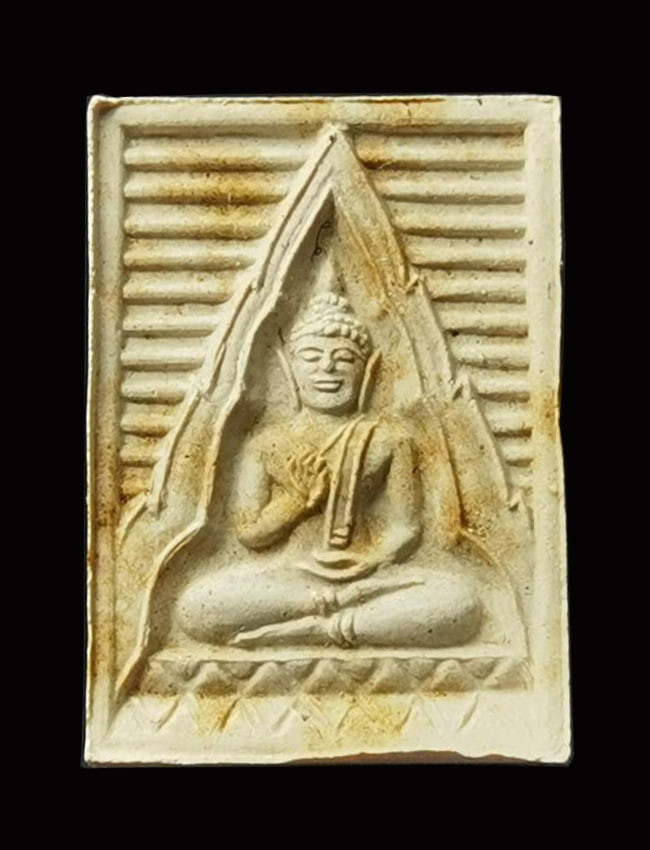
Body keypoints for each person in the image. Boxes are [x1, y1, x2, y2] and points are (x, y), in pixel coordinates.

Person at [175, 293, 483, 649]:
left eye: (344, 358)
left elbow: (405, 526)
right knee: (198, 605)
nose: (327, 368)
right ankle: (328, 613)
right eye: (311, 357)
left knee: (459, 601)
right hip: (292, 580)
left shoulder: (389, 438)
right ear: (289, 369)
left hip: (368, 579)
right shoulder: (267, 443)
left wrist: (372, 561)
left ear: (368, 371)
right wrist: (296, 503)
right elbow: (250, 533)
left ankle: (316, 631)